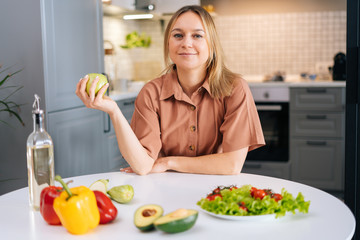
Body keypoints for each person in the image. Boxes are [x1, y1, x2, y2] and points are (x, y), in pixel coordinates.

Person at [76, 5, 265, 176]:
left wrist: (168, 162)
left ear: (212, 45)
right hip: (163, 189)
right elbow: (142, 166)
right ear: (168, 43)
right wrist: (114, 111)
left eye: (197, 35)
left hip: (215, 191)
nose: (186, 43)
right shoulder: (151, 93)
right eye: (178, 35)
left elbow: (231, 165)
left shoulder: (234, 88)